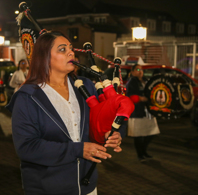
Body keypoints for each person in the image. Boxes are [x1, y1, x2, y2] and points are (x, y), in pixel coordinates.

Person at [6, 31, 123, 195]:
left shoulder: (87, 87)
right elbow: (26, 147)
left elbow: (98, 124)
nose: (71, 52)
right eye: (62, 49)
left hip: (87, 187)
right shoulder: (28, 97)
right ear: (44, 57)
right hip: (47, 189)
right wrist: (77, 150)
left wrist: (108, 134)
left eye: (70, 48)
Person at [126, 64, 160, 162]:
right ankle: (140, 154)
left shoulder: (146, 81)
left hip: (148, 111)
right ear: (132, 72)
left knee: (152, 132)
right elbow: (130, 96)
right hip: (137, 111)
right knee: (138, 135)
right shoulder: (131, 82)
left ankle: (144, 151)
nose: (140, 71)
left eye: (141, 69)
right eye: (137, 69)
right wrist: (141, 98)